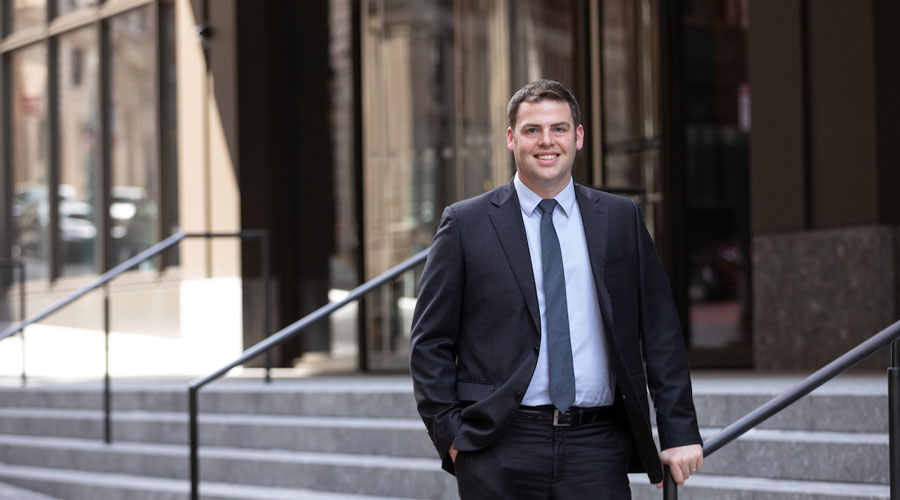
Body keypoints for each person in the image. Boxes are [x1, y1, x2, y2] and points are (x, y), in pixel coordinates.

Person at [409, 79, 702, 499]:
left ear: (578, 137)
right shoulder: (466, 224)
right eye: (532, 130)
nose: (546, 141)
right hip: (500, 446)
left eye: (559, 129)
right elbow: (430, 341)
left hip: (597, 446)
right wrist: (452, 437)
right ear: (511, 139)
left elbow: (661, 333)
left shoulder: (619, 219)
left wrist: (678, 431)